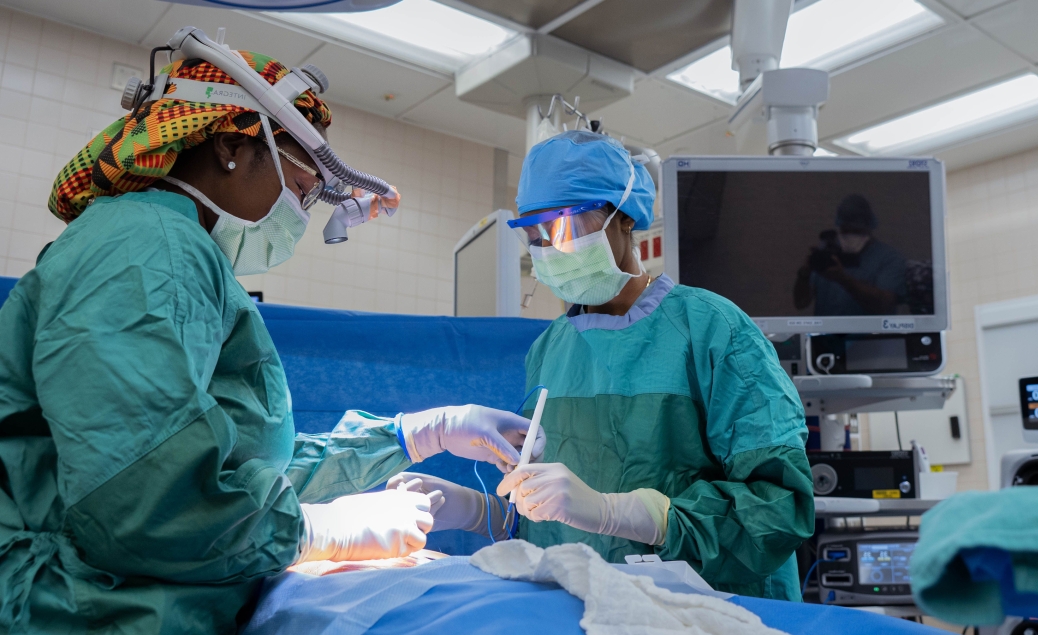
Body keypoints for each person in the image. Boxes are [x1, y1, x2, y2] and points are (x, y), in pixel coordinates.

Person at [0, 50, 539, 633]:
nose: (302, 212)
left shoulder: (172, 249)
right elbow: (142, 497)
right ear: (231, 147)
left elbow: (235, 466)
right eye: (301, 187)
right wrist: (316, 532)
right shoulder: (146, 249)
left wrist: (414, 434)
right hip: (72, 609)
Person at [392, 131, 814, 599]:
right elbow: (560, 518)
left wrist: (629, 513)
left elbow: (777, 509)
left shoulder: (713, 330)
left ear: (624, 216)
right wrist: (486, 512)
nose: (547, 248)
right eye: (534, 233)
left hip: (713, 609)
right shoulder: (551, 348)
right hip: (588, 610)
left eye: (563, 226)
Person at [793, 194, 907, 316]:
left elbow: (885, 306)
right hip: (826, 333)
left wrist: (843, 279)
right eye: (846, 231)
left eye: (857, 231)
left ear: (869, 228)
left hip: (871, 334)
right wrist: (803, 275)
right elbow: (801, 303)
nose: (851, 236)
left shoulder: (889, 259)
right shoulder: (828, 255)